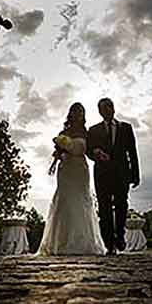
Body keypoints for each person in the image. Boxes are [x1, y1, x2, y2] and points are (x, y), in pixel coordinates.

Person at [37, 102, 105, 256]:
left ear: (84, 115)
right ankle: (61, 242)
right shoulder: (63, 132)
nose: (78, 114)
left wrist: (98, 154)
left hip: (80, 169)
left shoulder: (87, 133)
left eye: (81, 111)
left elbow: (89, 152)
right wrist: (58, 156)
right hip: (66, 169)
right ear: (71, 113)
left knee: (81, 201)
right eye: (76, 111)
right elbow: (58, 153)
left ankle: (83, 243)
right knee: (65, 201)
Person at [86, 97, 141, 256]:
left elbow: (132, 153)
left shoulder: (126, 128)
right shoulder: (93, 130)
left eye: (109, 107)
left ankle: (120, 236)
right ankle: (109, 243)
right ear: (99, 112)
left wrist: (135, 175)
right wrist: (95, 153)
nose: (106, 110)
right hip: (102, 174)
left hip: (122, 174)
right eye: (103, 108)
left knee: (122, 205)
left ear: (114, 108)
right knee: (104, 209)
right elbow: (89, 151)